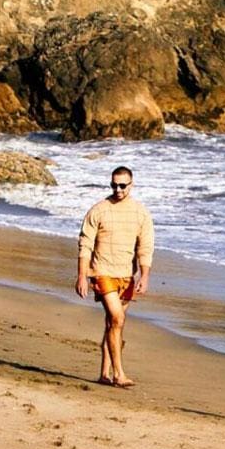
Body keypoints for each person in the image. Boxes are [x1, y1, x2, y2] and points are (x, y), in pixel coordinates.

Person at [75, 165, 153, 388]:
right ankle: (119, 374)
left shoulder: (141, 213)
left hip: (127, 276)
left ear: (131, 184)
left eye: (122, 185)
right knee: (117, 319)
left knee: (114, 324)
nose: (118, 190)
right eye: (113, 185)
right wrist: (82, 275)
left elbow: (145, 247)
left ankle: (104, 373)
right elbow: (85, 245)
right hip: (102, 272)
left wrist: (144, 275)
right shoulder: (98, 210)